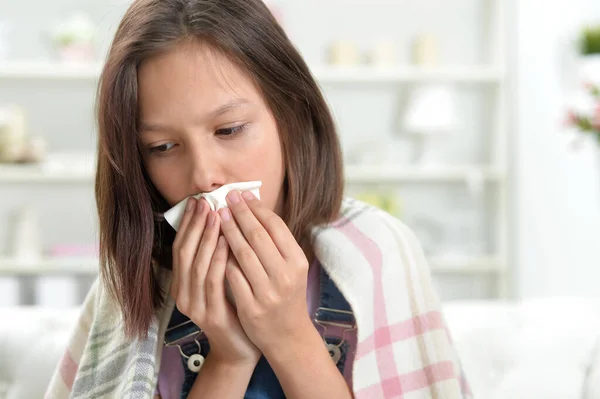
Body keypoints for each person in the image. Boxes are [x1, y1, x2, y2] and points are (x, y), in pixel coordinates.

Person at [45, 0, 472, 398]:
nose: (204, 176)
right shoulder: (133, 280)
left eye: (228, 130)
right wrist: (229, 359)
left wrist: (289, 337)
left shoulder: (378, 249)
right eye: (162, 147)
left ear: (291, 112)